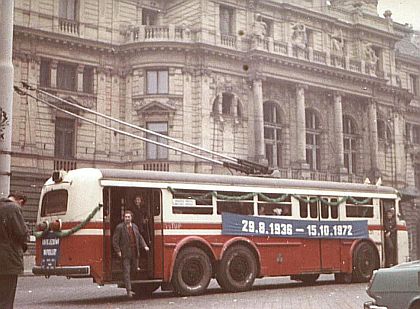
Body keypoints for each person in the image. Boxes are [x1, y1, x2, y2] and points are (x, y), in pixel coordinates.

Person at [0, 192, 29, 309]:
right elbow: (22, 233)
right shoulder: (13, 208)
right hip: (8, 259)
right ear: (20, 201)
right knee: (6, 298)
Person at [112, 210, 149, 298]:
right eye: (126, 217)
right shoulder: (119, 227)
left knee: (135, 270)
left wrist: (145, 246)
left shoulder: (135, 227)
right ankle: (128, 290)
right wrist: (118, 251)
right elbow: (115, 241)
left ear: (131, 218)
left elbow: (139, 237)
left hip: (135, 252)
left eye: (129, 217)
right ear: (123, 218)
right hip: (125, 253)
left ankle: (131, 286)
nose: (127, 219)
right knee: (127, 271)